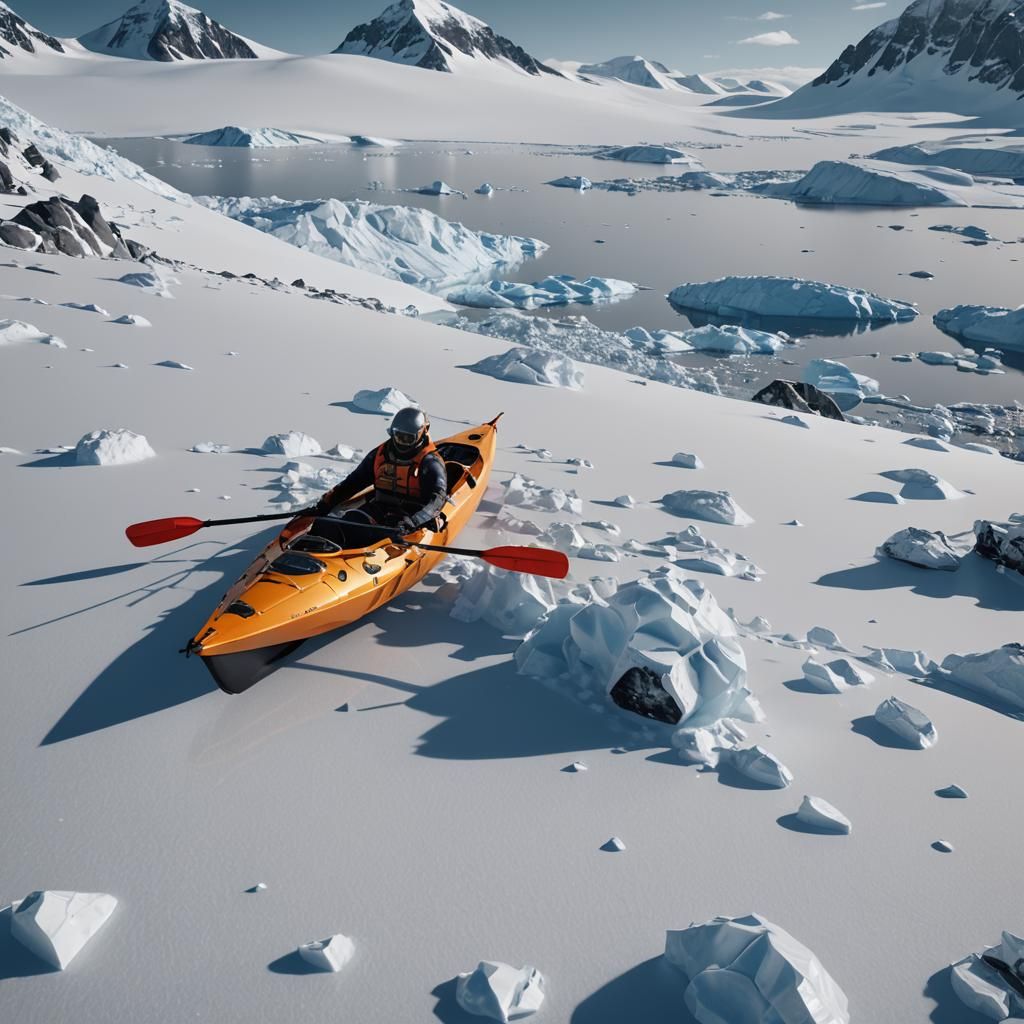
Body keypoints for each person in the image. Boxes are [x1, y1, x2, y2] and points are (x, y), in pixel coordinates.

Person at [305, 407, 448, 548]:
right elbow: (354, 482)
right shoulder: (380, 455)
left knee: (387, 536)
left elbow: (436, 500)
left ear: (422, 433)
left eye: (408, 438)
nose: (401, 442)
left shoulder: (430, 462)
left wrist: (415, 521)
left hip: (410, 515)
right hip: (380, 507)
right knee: (350, 521)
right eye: (398, 436)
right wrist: (325, 504)